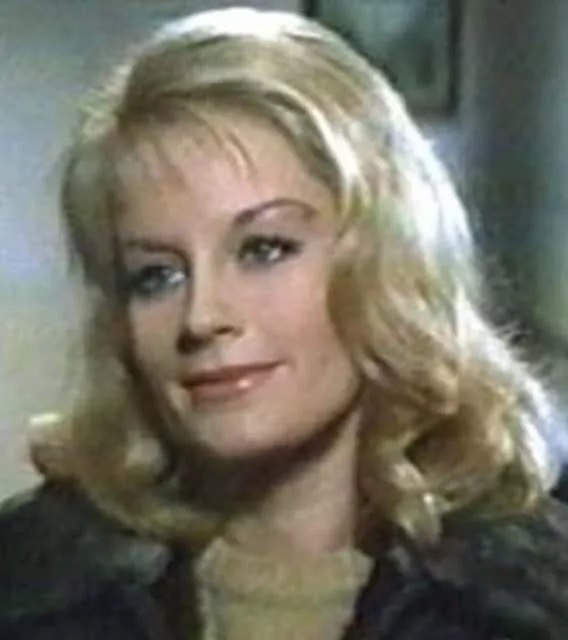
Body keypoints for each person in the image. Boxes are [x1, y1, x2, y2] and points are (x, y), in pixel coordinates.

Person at [2, 7, 568, 640]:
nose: (202, 317)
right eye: (156, 276)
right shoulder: (29, 589)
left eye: (263, 249)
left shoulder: (532, 606)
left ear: (387, 258)